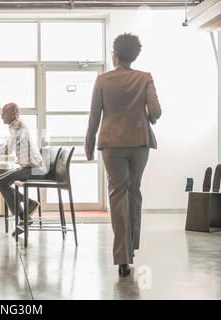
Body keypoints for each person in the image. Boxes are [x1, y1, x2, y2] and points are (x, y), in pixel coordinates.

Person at [85, 33, 162, 277]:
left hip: (112, 146)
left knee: (117, 196)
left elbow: (94, 117)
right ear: (135, 56)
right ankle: (132, 247)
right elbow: (156, 111)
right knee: (133, 192)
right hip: (139, 144)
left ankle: (122, 258)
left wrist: (88, 145)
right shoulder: (144, 78)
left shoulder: (102, 80)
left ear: (114, 55)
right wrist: (148, 118)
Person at [0, 103, 47, 236]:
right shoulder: (15, 126)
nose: (1, 116)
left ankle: (23, 216)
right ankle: (29, 203)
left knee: (1, 183)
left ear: (14, 114)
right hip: (28, 167)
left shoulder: (18, 125)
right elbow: (7, 146)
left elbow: (7, 150)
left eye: (4, 113)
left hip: (35, 169)